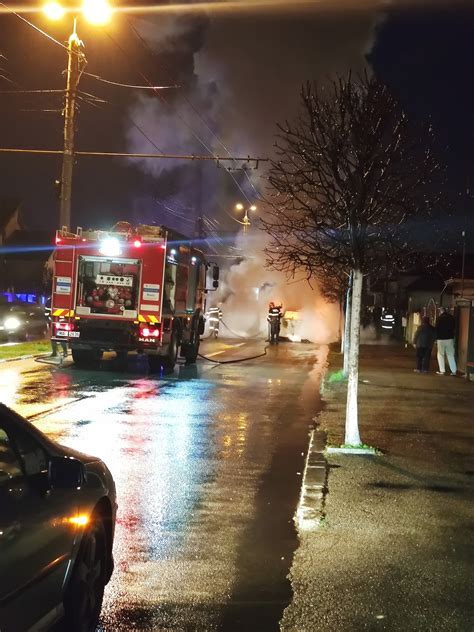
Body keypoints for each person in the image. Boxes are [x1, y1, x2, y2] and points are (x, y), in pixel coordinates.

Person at [435, 306, 457, 376]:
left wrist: (436, 338)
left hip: (441, 339)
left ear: (440, 311)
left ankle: (442, 370)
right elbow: (454, 327)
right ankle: (453, 371)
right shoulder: (451, 317)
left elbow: (436, 328)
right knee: (450, 355)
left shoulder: (439, 318)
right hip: (450, 338)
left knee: (441, 354)